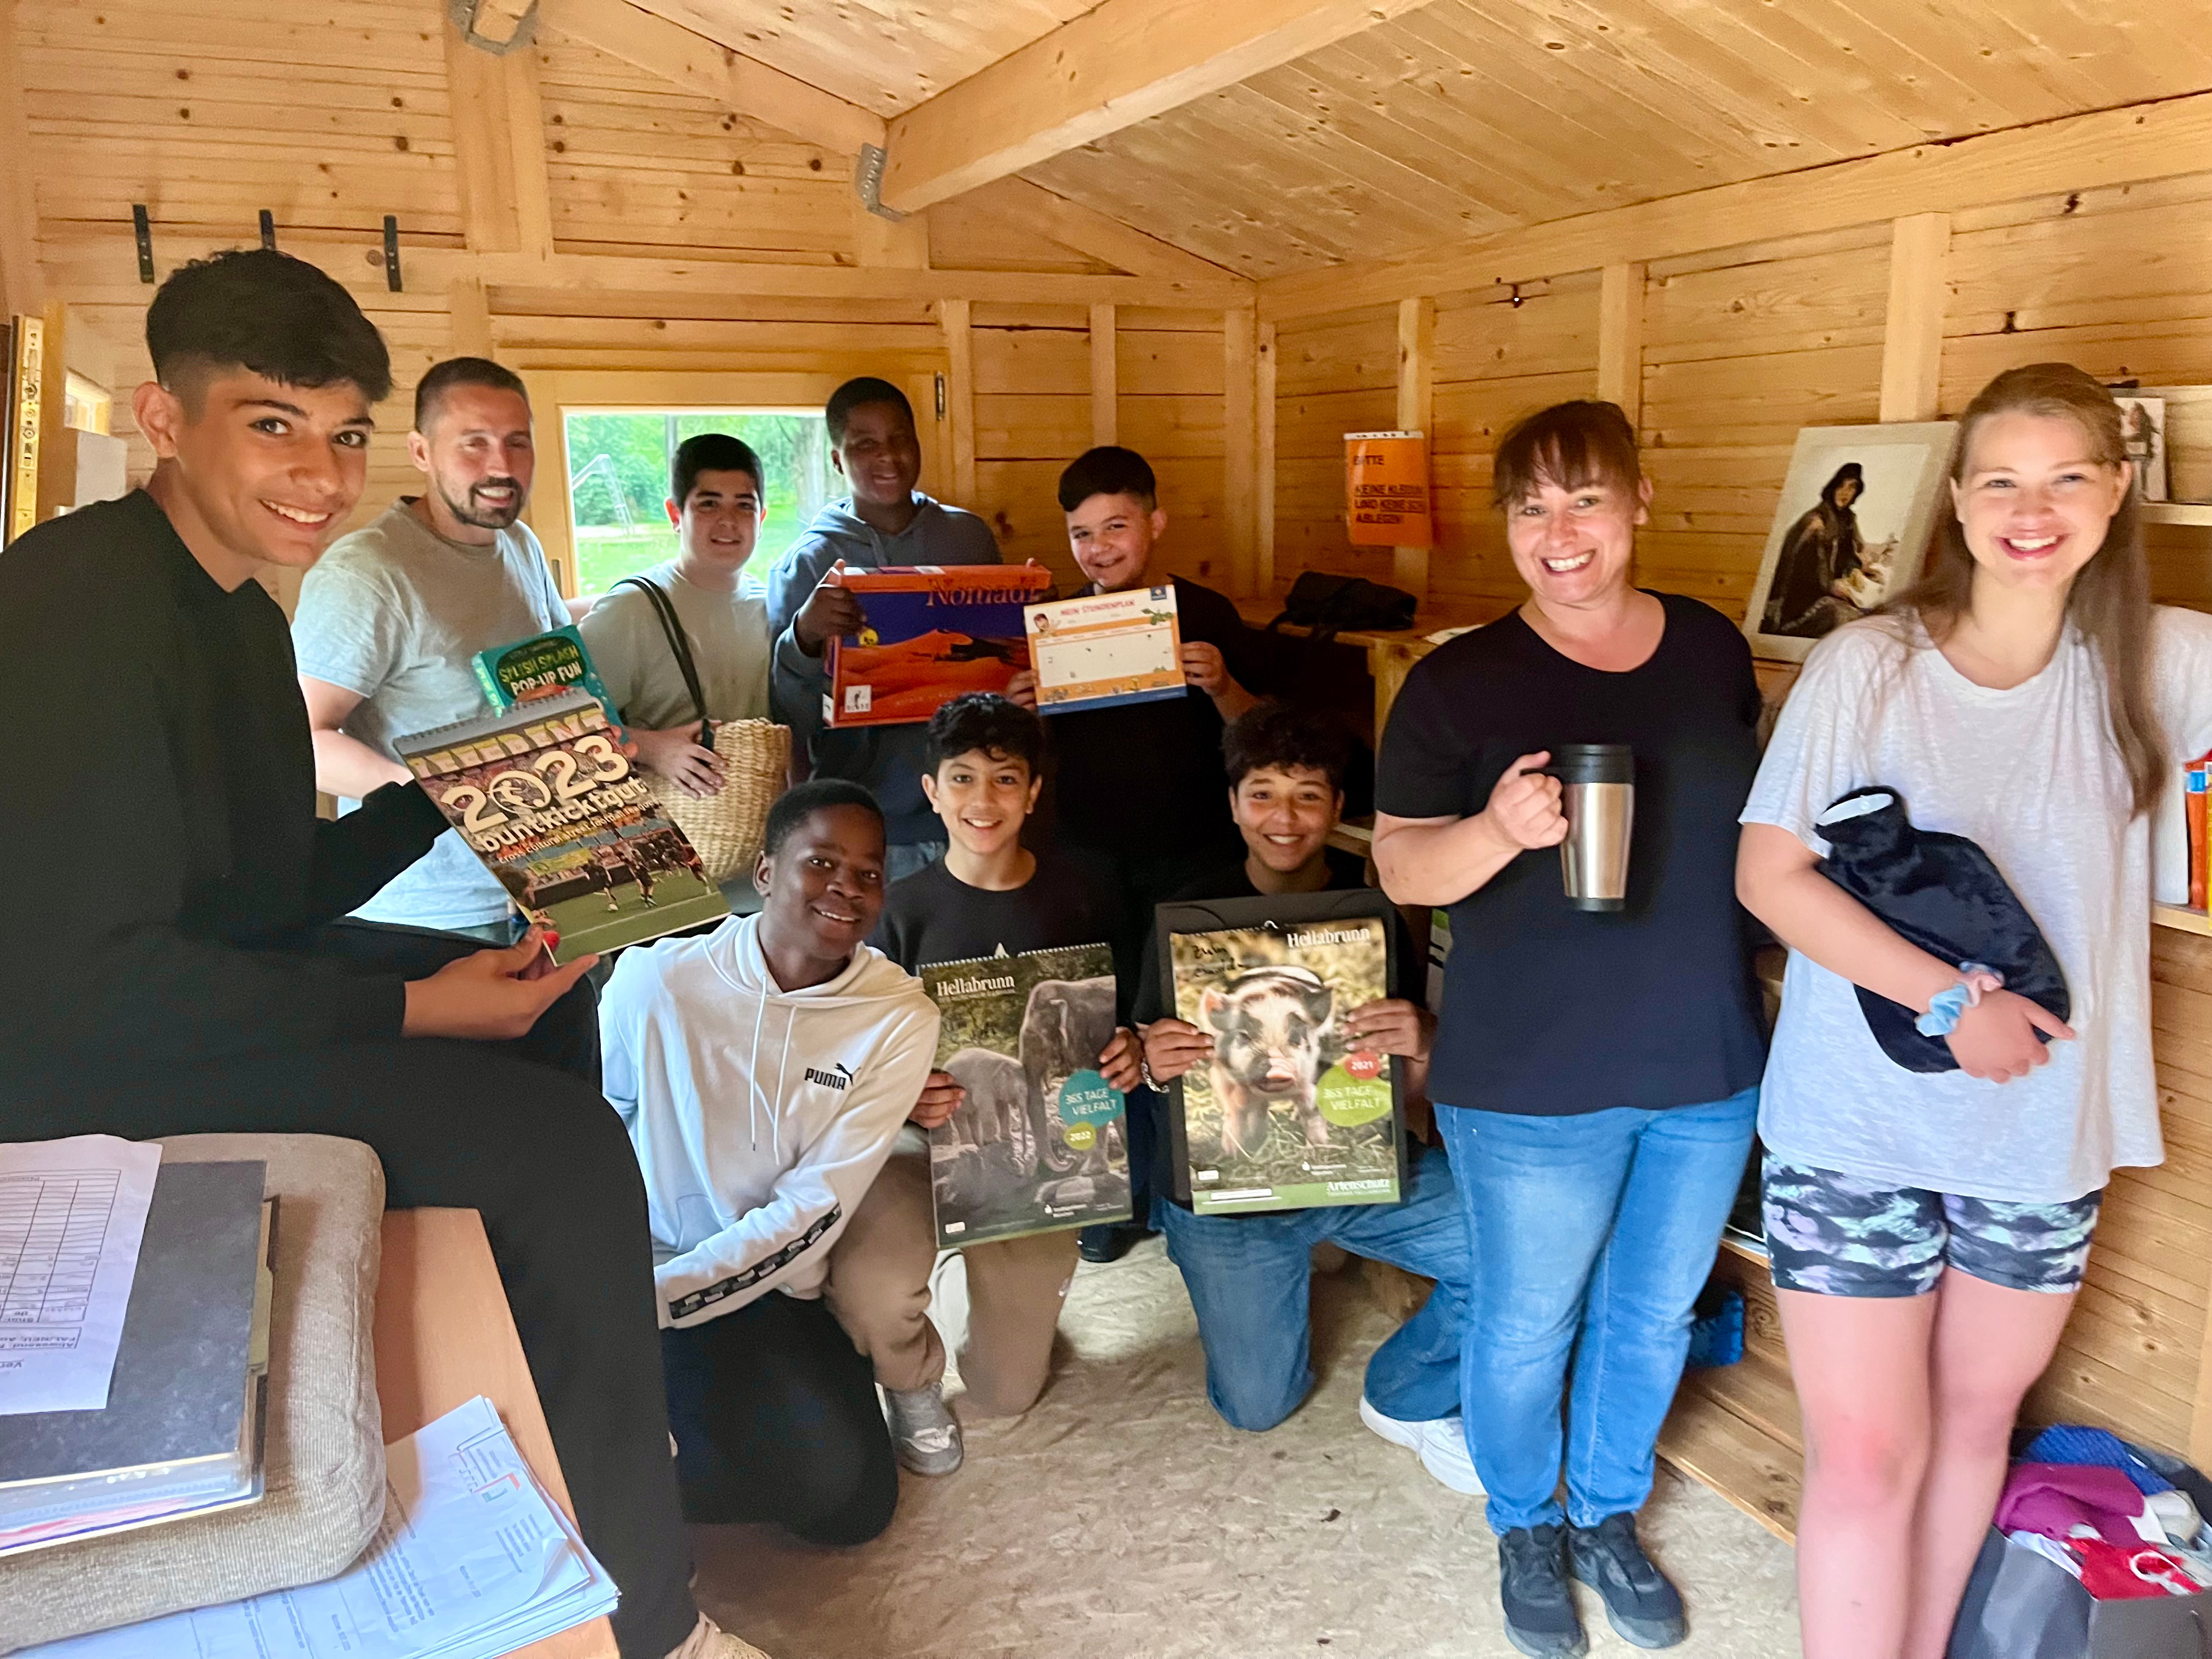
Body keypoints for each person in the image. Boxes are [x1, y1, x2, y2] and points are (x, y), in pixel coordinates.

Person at [0, 247, 765, 1659]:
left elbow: (268, 888)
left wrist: (463, 785)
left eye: (343, 433)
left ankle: (578, 1454)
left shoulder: (231, 606)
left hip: (192, 994)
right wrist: (412, 1006)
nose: (320, 474)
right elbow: (99, 985)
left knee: (545, 1030)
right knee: (567, 1151)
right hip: (85, 1069)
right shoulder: (75, 608)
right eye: (271, 425)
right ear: (164, 421)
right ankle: (657, 1625)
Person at [1735, 362, 2212, 1659]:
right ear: (1958, 499)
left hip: (2042, 1139)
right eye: (2001, 479)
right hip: (1857, 1125)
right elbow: (1771, 876)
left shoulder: (2167, 662)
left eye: (2068, 476)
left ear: (2117, 492)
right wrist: (1950, 1001)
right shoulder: (1867, 663)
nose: (2032, 508)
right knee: (1866, 1457)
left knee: (1970, 1432)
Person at [1372, 399, 1766, 1658]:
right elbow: (1399, 870)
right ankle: (1525, 1525)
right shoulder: (1458, 681)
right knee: (1530, 1317)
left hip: (1703, 1062)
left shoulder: (1709, 649)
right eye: (1532, 506)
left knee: (1651, 1316)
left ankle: (1604, 1516)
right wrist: (1496, 833)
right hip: (1530, 1077)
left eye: (1586, 499)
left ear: (1640, 499)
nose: (1561, 533)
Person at [1124, 702, 1476, 1485]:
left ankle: (1406, 1390)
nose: (1285, 818)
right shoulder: (1182, 920)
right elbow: (1145, 1074)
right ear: (1233, 804)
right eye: (1263, 794)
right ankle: (1290, 1263)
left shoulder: (1377, 914)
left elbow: (1404, 1087)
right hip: (1226, 1199)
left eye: (1309, 795)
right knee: (1256, 1407)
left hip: (1355, 1170)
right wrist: (1154, 1061)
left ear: (1338, 809)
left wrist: (1422, 1040)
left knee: (1516, 1254)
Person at [601, 780, 939, 1547]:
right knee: (628, 1464)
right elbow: (598, 1122)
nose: (845, 890)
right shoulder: (655, 980)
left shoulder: (897, 1017)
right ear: (764, 874)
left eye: (868, 873)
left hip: (767, 1283)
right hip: (645, 1270)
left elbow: (815, 1206)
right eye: (821, 863)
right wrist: (615, 1291)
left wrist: (662, 1299)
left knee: (851, 1505)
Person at [826, 693, 1128, 1475]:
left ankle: (987, 1285)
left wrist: (1131, 1053)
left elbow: (1126, 1021)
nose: (982, 802)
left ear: (1032, 793)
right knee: (874, 1289)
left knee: (1006, 1393)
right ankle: (912, 1385)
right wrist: (900, 1092)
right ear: (931, 792)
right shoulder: (894, 913)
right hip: (915, 1147)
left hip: (1033, 1162)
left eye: (1003, 780)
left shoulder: (1086, 893)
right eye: (961, 779)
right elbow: (840, 1064)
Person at [1013, 444, 1268, 1261]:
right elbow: (1030, 763)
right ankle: (1106, 1201)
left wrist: (1223, 683)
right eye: (1082, 534)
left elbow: (1261, 741)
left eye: (1116, 526)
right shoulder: (1053, 625)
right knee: (1095, 1027)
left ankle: (1192, 1187)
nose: (1099, 548)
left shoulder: (1207, 616)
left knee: (1181, 1026)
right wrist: (1023, 708)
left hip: (1194, 856)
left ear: (1154, 523)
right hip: (1087, 858)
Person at [294, 355, 569, 941]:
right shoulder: (370, 572)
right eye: (474, 444)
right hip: (432, 912)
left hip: (553, 885)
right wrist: (444, 803)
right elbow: (302, 738)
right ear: (421, 452)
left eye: (518, 443)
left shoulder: (518, 542)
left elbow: (553, 679)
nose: (501, 466)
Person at [765, 377, 1000, 882]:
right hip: (870, 819)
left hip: (974, 807)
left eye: (900, 439)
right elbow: (789, 717)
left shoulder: (969, 538)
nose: (888, 457)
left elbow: (1002, 665)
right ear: (837, 460)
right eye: (865, 444)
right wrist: (805, 638)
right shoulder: (809, 562)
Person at [579, 432, 773, 803]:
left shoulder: (771, 606)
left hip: (752, 827)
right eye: (709, 504)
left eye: (744, 506)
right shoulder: (633, 609)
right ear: (675, 515)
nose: (728, 521)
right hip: (666, 831)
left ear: (762, 519)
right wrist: (652, 749)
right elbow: (561, 734)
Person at [1763, 461, 1866, 639]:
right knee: (1845, 620)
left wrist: (1854, 571)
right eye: (1841, 486)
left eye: (1851, 488)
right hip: (1802, 601)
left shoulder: (1847, 520)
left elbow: (1849, 555)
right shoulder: (1815, 522)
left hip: (1832, 592)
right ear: (1833, 487)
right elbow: (1800, 569)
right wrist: (1830, 586)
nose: (1845, 493)